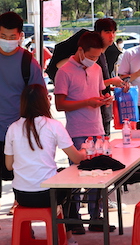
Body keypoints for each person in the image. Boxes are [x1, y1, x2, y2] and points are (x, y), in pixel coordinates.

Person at [0, 12, 45, 245]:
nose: (8, 40)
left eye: (12, 37)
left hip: (20, 132)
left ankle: (26, 227)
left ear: (20, 36)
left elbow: (39, 96)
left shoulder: (28, 61)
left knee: (22, 181)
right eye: (3, 36)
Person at [5, 84, 85, 245]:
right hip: (48, 195)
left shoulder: (13, 128)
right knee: (69, 181)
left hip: (21, 195)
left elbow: (8, 166)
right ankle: (68, 237)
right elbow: (76, 158)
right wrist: (84, 149)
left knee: (60, 176)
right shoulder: (53, 125)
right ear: (44, 101)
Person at [54, 31, 115, 234]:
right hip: (77, 131)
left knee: (99, 176)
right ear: (80, 51)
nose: (94, 60)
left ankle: (96, 217)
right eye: (91, 56)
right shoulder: (64, 71)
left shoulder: (96, 69)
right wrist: (87, 102)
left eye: (97, 57)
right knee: (77, 176)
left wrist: (104, 100)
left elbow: (98, 93)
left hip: (97, 129)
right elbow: (60, 104)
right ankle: (74, 219)